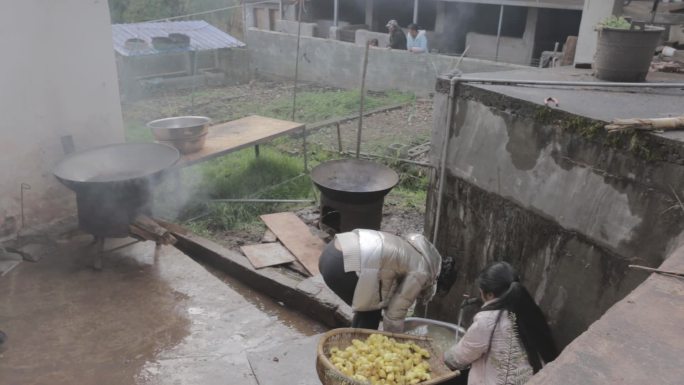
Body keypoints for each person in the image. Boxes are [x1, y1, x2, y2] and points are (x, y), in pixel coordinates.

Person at [444, 262, 558, 385]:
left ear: (489, 294)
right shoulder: (528, 309)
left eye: (481, 292)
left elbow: (459, 357)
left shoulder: (488, 320)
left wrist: (442, 357)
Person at [318, 229, 442, 332]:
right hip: (342, 265)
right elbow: (394, 314)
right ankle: (361, 355)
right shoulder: (422, 271)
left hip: (331, 251)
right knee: (371, 314)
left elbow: (387, 285)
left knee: (367, 310)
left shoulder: (411, 250)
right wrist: (395, 342)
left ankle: (354, 343)